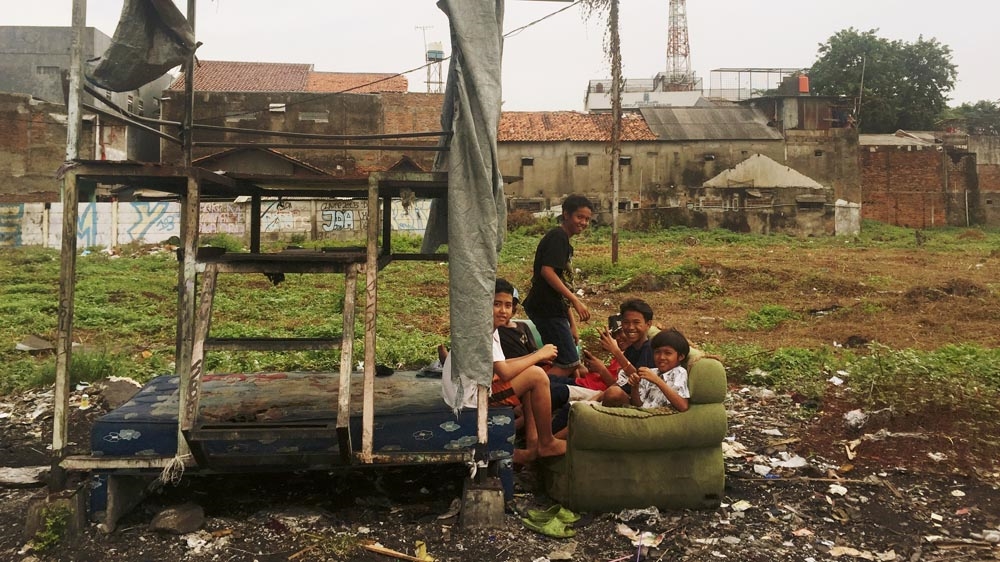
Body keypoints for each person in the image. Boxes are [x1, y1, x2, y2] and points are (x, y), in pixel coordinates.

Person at [441, 279, 567, 464]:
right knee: (538, 376)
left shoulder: (486, 327)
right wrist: (539, 355)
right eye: (497, 304)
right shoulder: (483, 332)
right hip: (471, 399)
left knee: (529, 372)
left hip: (467, 390)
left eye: (508, 305)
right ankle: (546, 442)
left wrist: (534, 356)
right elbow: (506, 372)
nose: (503, 310)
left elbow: (502, 364)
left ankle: (533, 444)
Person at [522, 194, 594, 379]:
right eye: (580, 217)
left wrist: (572, 325)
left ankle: (550, 395)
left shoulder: (565, 242)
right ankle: (528, 389)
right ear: (566, 214)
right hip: (545, 308)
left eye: (587, 219)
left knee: (569, 362)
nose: (584, 222)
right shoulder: (558, 237)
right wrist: (576, 301)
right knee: (569, 362)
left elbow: (562, 286)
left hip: (554, 309)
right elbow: (548, 272)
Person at [600, 298, 658, 407]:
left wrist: (616, 351)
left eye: (636, 322)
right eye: (626, 322)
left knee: (614, 393)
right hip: (621, 395)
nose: (630, 328)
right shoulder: (631, 349)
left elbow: (639, 381)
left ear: (648, 324)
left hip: (639, 402)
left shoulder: (650, 350)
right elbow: (621, 382)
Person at [625, 328, 690, 411]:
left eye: (668, 353)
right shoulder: (650, 372)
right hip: (643, 415)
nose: (661, 357)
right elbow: (637, 404)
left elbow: (683, 406)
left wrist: (657, 380)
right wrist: (634, 386)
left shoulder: (679, 373)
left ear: (681, 356)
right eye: (657, 352)